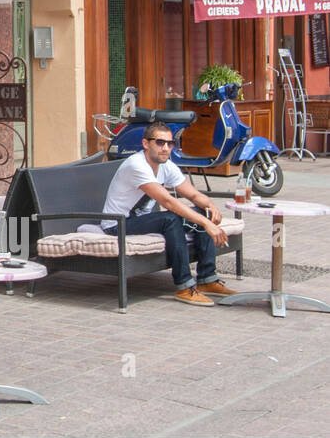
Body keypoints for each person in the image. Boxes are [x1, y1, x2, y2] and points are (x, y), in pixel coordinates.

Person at [101, 120, 236, 306]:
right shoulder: (136, 165)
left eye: (170, 143)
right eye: (160, 142)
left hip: (141, 220)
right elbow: (168, 202)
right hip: (117, 224)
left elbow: (193, 194)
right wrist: (206, 224)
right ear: (146, 144)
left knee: (202, 212)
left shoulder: (166, 165)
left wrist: (210, 206)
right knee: (170, 219)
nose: (165, 148)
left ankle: (207, 279)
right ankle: (184, 286)